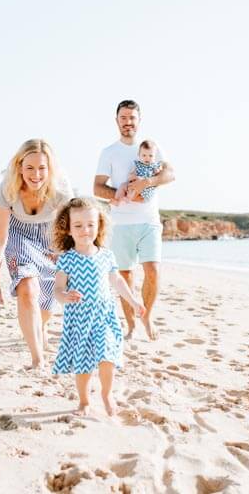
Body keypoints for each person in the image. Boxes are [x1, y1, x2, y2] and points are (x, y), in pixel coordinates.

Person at [51, 197, 145, 416]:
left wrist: (133, 301)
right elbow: (57, 289)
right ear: (68, 230)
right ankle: (84, 401)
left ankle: (106, 393)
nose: (85, 230)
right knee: (83, 364)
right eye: (78, 226)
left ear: (99, 226)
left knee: (107, 355)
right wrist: (65, 296)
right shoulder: (67, 259)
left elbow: (117, 281)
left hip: (104, 315)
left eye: (91, 225)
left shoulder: (106, 255)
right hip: (80, 318)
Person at [94, 100, 175, 340]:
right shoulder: (109, 152)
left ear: (139, 120)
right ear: (116, 119)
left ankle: (147, 317)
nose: (128, 122)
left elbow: (170, 174)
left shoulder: (151, 147)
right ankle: (130, 326)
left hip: (149, 221)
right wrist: (118, 195)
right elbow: (97, 187)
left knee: (153, 271)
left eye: (132, 118)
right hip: (120, 224)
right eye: (123, 117)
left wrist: (145, 183)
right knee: (125, 276)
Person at [0, 139, 72, 369]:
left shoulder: (61, 189)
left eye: (42, 168)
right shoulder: (8, 188)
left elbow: (70, 231)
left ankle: (41, 327)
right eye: (30, 168)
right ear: (19, 166)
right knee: (27, 290)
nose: (36, 175)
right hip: (18, 236)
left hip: (50, 238)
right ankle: (38, 359)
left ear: (50, 168)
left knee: (46, 306)